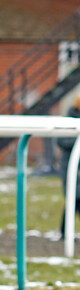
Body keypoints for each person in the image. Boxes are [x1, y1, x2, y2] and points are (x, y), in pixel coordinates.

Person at [56, 94, 80, 239]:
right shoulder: (69, 120)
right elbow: (62, 142)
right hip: (69, 166)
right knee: (74, 198)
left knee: (75, 200)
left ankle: (65, 232)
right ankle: (65, 232)